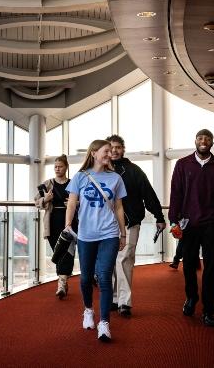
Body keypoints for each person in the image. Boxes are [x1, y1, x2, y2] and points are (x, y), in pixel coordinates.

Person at [169, 129, 214, 327]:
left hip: (211, 225)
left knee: (211, 268)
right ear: (195, 141)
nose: (203, 141)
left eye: (207, 139)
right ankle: (191, 298)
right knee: (188, 265)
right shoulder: (182, 164)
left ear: (212, 143)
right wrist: (173, 220)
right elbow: (176, 193)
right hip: (188, 224)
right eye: (200, 138)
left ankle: (208, 311)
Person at [65, 139, 127, 342]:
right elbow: (72, 202)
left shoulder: (116, 178)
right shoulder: (80, 177)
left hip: (108, 233)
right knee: (85, 279)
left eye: (111, 151)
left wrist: (122, 233)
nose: (110, 154)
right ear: (94, 153)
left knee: (104, 276)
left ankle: (104, 323)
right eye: (106, 151)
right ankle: (88, 310)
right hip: (86, 234)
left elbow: (118, 207)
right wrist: (68, 225)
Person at [106, 134, 166, 317]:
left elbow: (148, 194)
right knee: (111, 261)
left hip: (131, 222)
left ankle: (124, 301)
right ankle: (115, 298)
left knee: (124, 259)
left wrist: (159, 216)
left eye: (118, 147)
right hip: (106, 224)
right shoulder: (101, 171)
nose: (114, 151)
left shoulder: (134, 171)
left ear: (123, 149)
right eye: (111, 147)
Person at [34, 155, 77, 298]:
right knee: (58, 253)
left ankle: (61, 283)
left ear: (66, 167)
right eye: (56, 167)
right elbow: (36, 201)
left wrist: (74, 204)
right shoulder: (48, 183)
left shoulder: (73, 183)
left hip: (70, 221)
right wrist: (45, 199)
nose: (57, 169)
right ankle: (63, 281)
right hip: (52, 222)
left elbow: (82, 201)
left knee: (68, 251)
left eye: (60, 166)